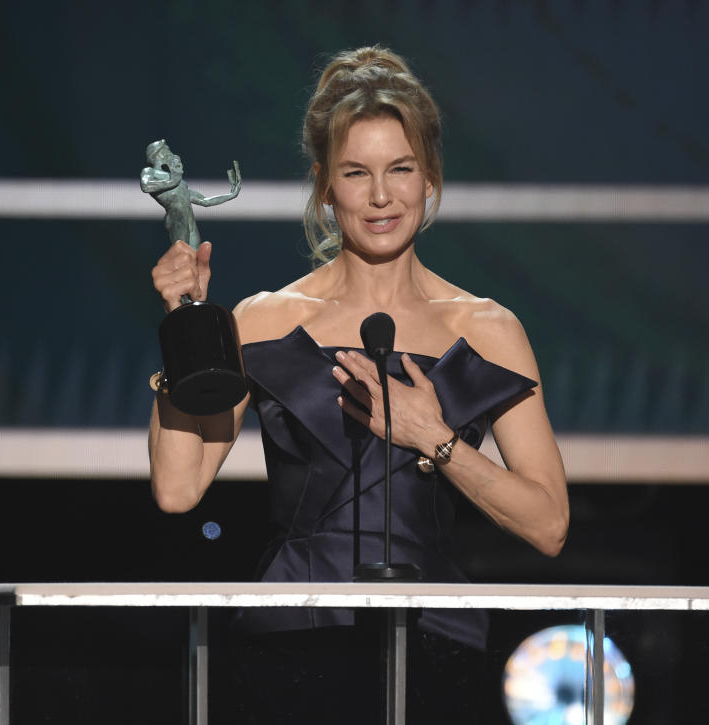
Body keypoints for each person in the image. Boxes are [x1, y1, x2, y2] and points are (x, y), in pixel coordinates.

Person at [148, 46, 568, 723]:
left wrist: (434, 436)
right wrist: (185, 325)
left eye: (400, 169)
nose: (380, 196)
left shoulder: (489, 329)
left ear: (429, 177)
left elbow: (549, 524)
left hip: (436, 652)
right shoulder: (263, 320)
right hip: (291, 647)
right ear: (323, 185)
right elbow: (177, 488)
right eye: (356, 173)